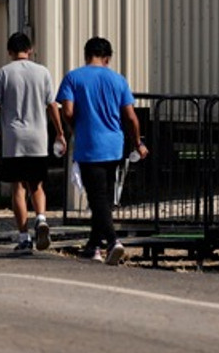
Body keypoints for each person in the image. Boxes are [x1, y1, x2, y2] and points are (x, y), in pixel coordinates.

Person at [56, 36, 147, 265]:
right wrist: (138, 142)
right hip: (114, 145)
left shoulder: (73, 77)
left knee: (98, 199)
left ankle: (113, 241)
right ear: (107, 58)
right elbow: (131, 117)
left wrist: (75, 126)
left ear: (87, 55)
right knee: (104, 195)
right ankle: (93, 246)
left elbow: (66, 110)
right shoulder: (118, 80)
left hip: (89, 144)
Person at [0, 32, 64, 253]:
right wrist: (60, 132)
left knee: (17, 187)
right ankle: (42, 218)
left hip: (14, 137)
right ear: (31, 49)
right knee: (36, 184)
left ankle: (24, 237)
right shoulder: (43, 72)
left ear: (9, 51)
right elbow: (52, 105)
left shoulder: (3, 74)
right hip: (38, 136)